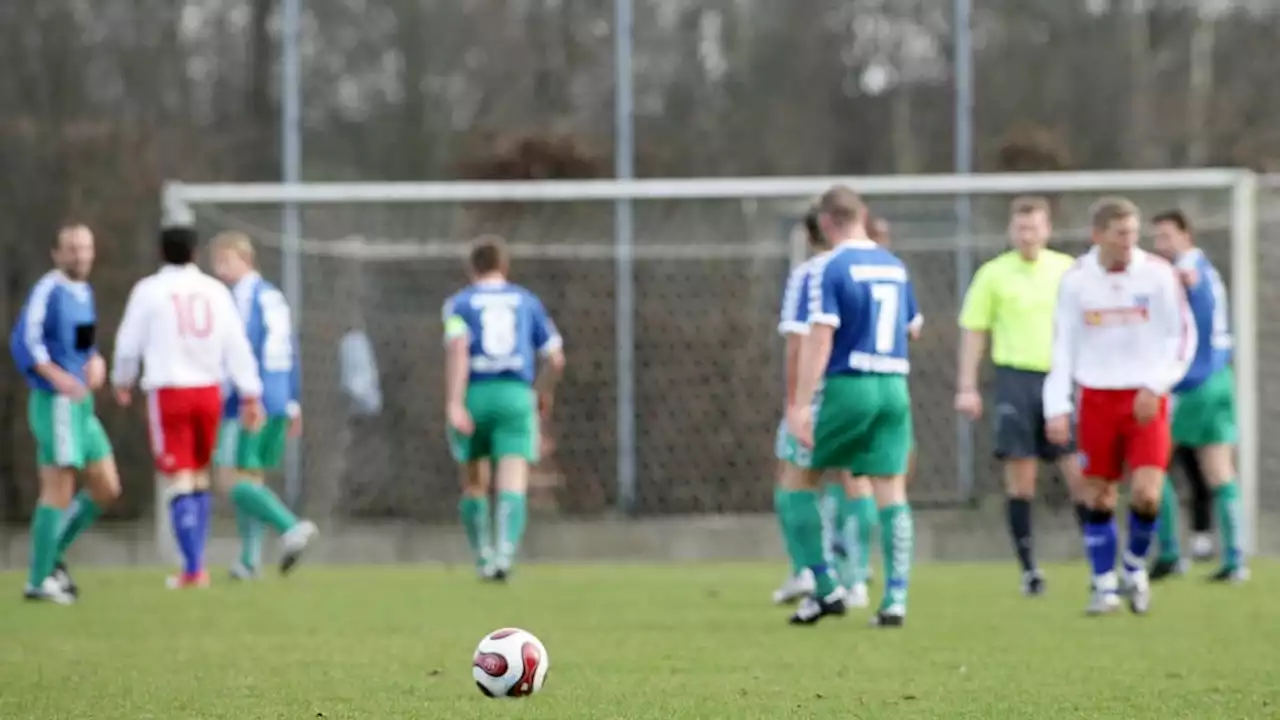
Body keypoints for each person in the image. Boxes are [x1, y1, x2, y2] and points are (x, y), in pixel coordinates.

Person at [1043, 197, 1195, 616]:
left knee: (1147, 494)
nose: (1130, 242)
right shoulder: (1076, 280)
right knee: (1098, 495)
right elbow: (1063, 345)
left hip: (1146, 397)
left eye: (1133, 233)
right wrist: (1056, 405)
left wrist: (1156, 384)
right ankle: (1104, 584)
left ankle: (1134, 567)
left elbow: (1181, 337)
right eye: (1120, 234)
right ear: (1098, 236)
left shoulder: (1159, 275)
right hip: (1096, 397)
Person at [787, 186, 918, 628]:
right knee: (890, 490)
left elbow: (820, 335)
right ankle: (895, 597)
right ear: (863, 214)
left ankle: (825, 588)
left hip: (850, 385)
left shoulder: (831, 266)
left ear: (825, 223)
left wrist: (801, 404)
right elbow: (913, 328)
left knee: (795, 480)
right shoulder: (895, 266)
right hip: (895, 385)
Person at [111, 225, 265, 590]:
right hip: (209, 391)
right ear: (195, 253)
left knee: (178, 476)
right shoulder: (215, 291)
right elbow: (236, 344)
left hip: (170, 391)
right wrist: (250, 392)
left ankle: (193, 568)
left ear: (162, 253)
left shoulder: (149, 291)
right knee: (198, 474)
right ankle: (196, 565)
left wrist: (122, 379)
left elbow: (128, 342)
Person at [955, 196, 1085, 596]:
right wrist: (967, 385)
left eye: (1035, 227)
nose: (1027, 235)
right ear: (1011, 231)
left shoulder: (1068, 270)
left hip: (1060, 380)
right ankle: (1029, 569)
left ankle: (1102, 562)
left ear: (1047, 230)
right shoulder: (993, 275)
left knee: (1080, 474)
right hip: (1014, 379)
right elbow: (975, 330)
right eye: (1020, 227)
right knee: (1021, 476)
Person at [8, 223, 122, 604]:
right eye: (72, 248)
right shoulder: (49, 289)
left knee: (106, 486)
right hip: (55, 402)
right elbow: (24, 340)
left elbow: (84, 342)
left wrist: (97, 361)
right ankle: (38, 580)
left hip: (81, 405)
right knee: (59, 487)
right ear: (56, 254)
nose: (80, 255)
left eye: (85, 248)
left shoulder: (83, 292)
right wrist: (55, 376)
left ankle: (52, 556)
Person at [443, 235, 565, 582]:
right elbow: (556, 359)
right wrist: (542, 393)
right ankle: (504, 555)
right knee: (513, 480)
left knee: (474, 483)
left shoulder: (459, 304)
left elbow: (457, 348)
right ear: (504, 266)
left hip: (475, 393)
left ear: (472, 268)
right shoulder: (527, 301)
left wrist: (453, 403)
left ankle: (482, 556)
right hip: (515, 395)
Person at [209, 231, 318, 580]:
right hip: (278, 396)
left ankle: (290, 526)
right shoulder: (274, 296)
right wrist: (293, 401)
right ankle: (249, 560)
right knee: (252, 479)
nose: (220, 269)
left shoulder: (239, 298)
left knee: (229, 479)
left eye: (225, 261)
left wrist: (237, 393)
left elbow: (242, 347)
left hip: (248, 399)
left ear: (245, 259)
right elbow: (290, 349)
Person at [1148, 210, 1246, 583]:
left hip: (1194, 383)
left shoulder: (1189, 272)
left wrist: (1172, 380)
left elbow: (1196, 329)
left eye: (1167, 237)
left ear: (1186, 235)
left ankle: (1171, 552)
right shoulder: (1204, 267)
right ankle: (1236, 559)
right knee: (1219, 470)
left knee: (1153, 465)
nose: (1161, 245)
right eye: (1157, 238)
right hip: (1219, 379)